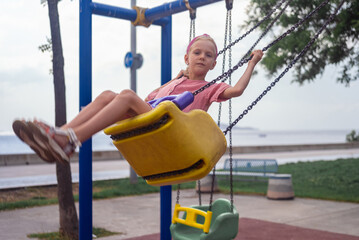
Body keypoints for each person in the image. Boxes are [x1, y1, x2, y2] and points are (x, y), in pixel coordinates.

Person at [13, 34, 263, 164]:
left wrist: (251, 63)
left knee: (126, 95)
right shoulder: (173, 83)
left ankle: (71, 139)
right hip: (156, 121)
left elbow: (237, 90)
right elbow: (146, 102)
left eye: (208, 55)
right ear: (186, 58)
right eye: (196, 52)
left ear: (214, 63)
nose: (202, 57)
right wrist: (172, 83)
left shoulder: (209, 87)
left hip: (176, 131)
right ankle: (60, 136)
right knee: (109, 96)